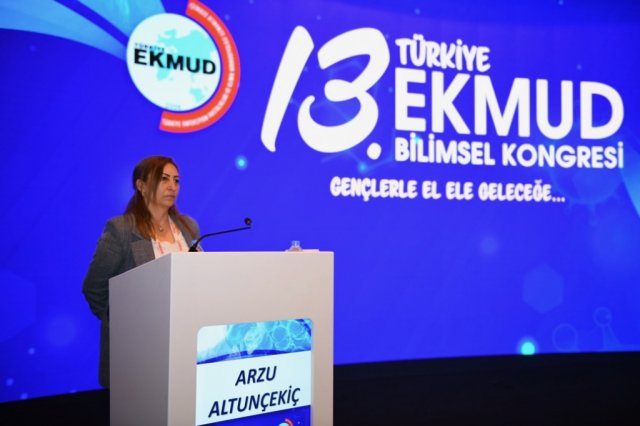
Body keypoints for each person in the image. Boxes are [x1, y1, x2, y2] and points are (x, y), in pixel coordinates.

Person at [82, 156, 200, 388]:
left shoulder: (188, 227)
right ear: (141, 185)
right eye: (164, 179)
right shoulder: (122, 229)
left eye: (176, 180)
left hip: (184, 341)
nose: (172, 186)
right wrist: (124, 324)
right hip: (137, 351)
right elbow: (94, 288)